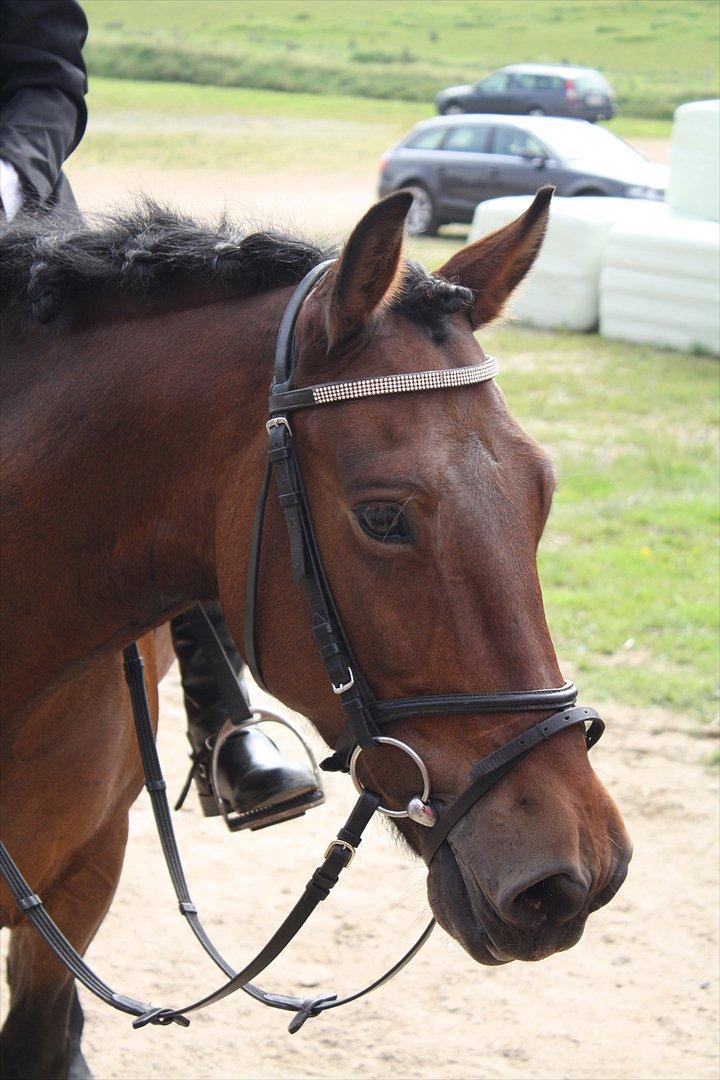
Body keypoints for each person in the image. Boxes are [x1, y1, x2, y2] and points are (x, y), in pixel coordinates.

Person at [1, 0, 318, 828]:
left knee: (160, 424)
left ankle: (224, 721)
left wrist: (7, 173)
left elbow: (46, 80)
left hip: (11, 230)